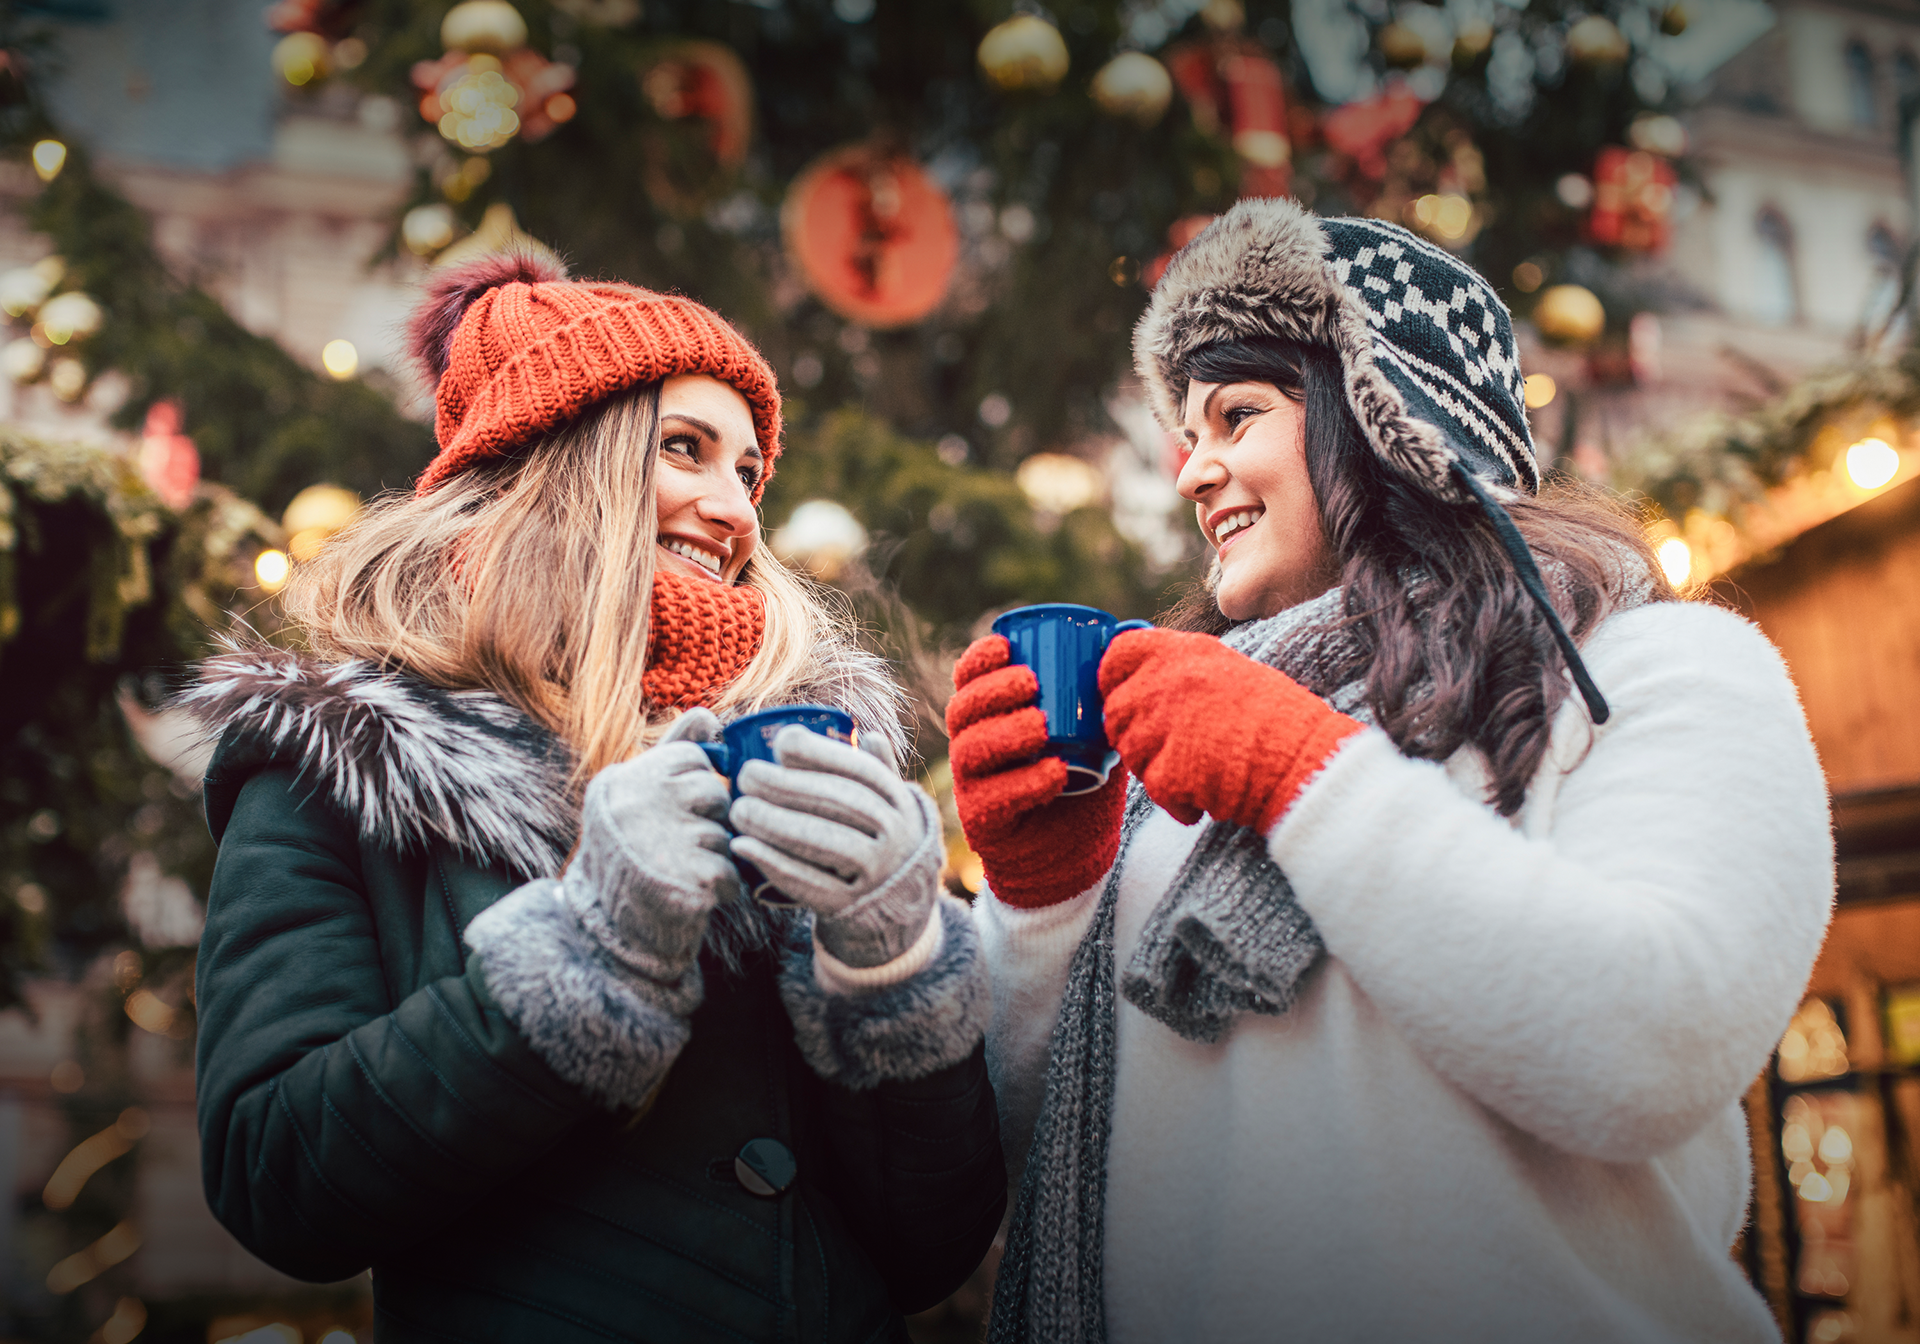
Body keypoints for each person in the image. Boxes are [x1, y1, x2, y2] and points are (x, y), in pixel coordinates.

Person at [948, 198, 1833, 1344]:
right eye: (1187, 434)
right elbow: (1057, 1154)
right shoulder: (1189, 771)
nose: (1193, 472)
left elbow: (1650, 1043)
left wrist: (1306, 776)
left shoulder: (1660, 670)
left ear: (1384, 418)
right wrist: (1043, 902)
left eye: (1237, 417)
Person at [184, 254, 1004, 1344]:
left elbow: (928, 1251)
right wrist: (586, 953)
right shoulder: (344, 763)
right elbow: (277, 1179)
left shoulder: (812, 761)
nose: (735, 510)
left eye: (749, 471)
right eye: (684, 449)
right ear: (556, 462)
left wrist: (893, 963)